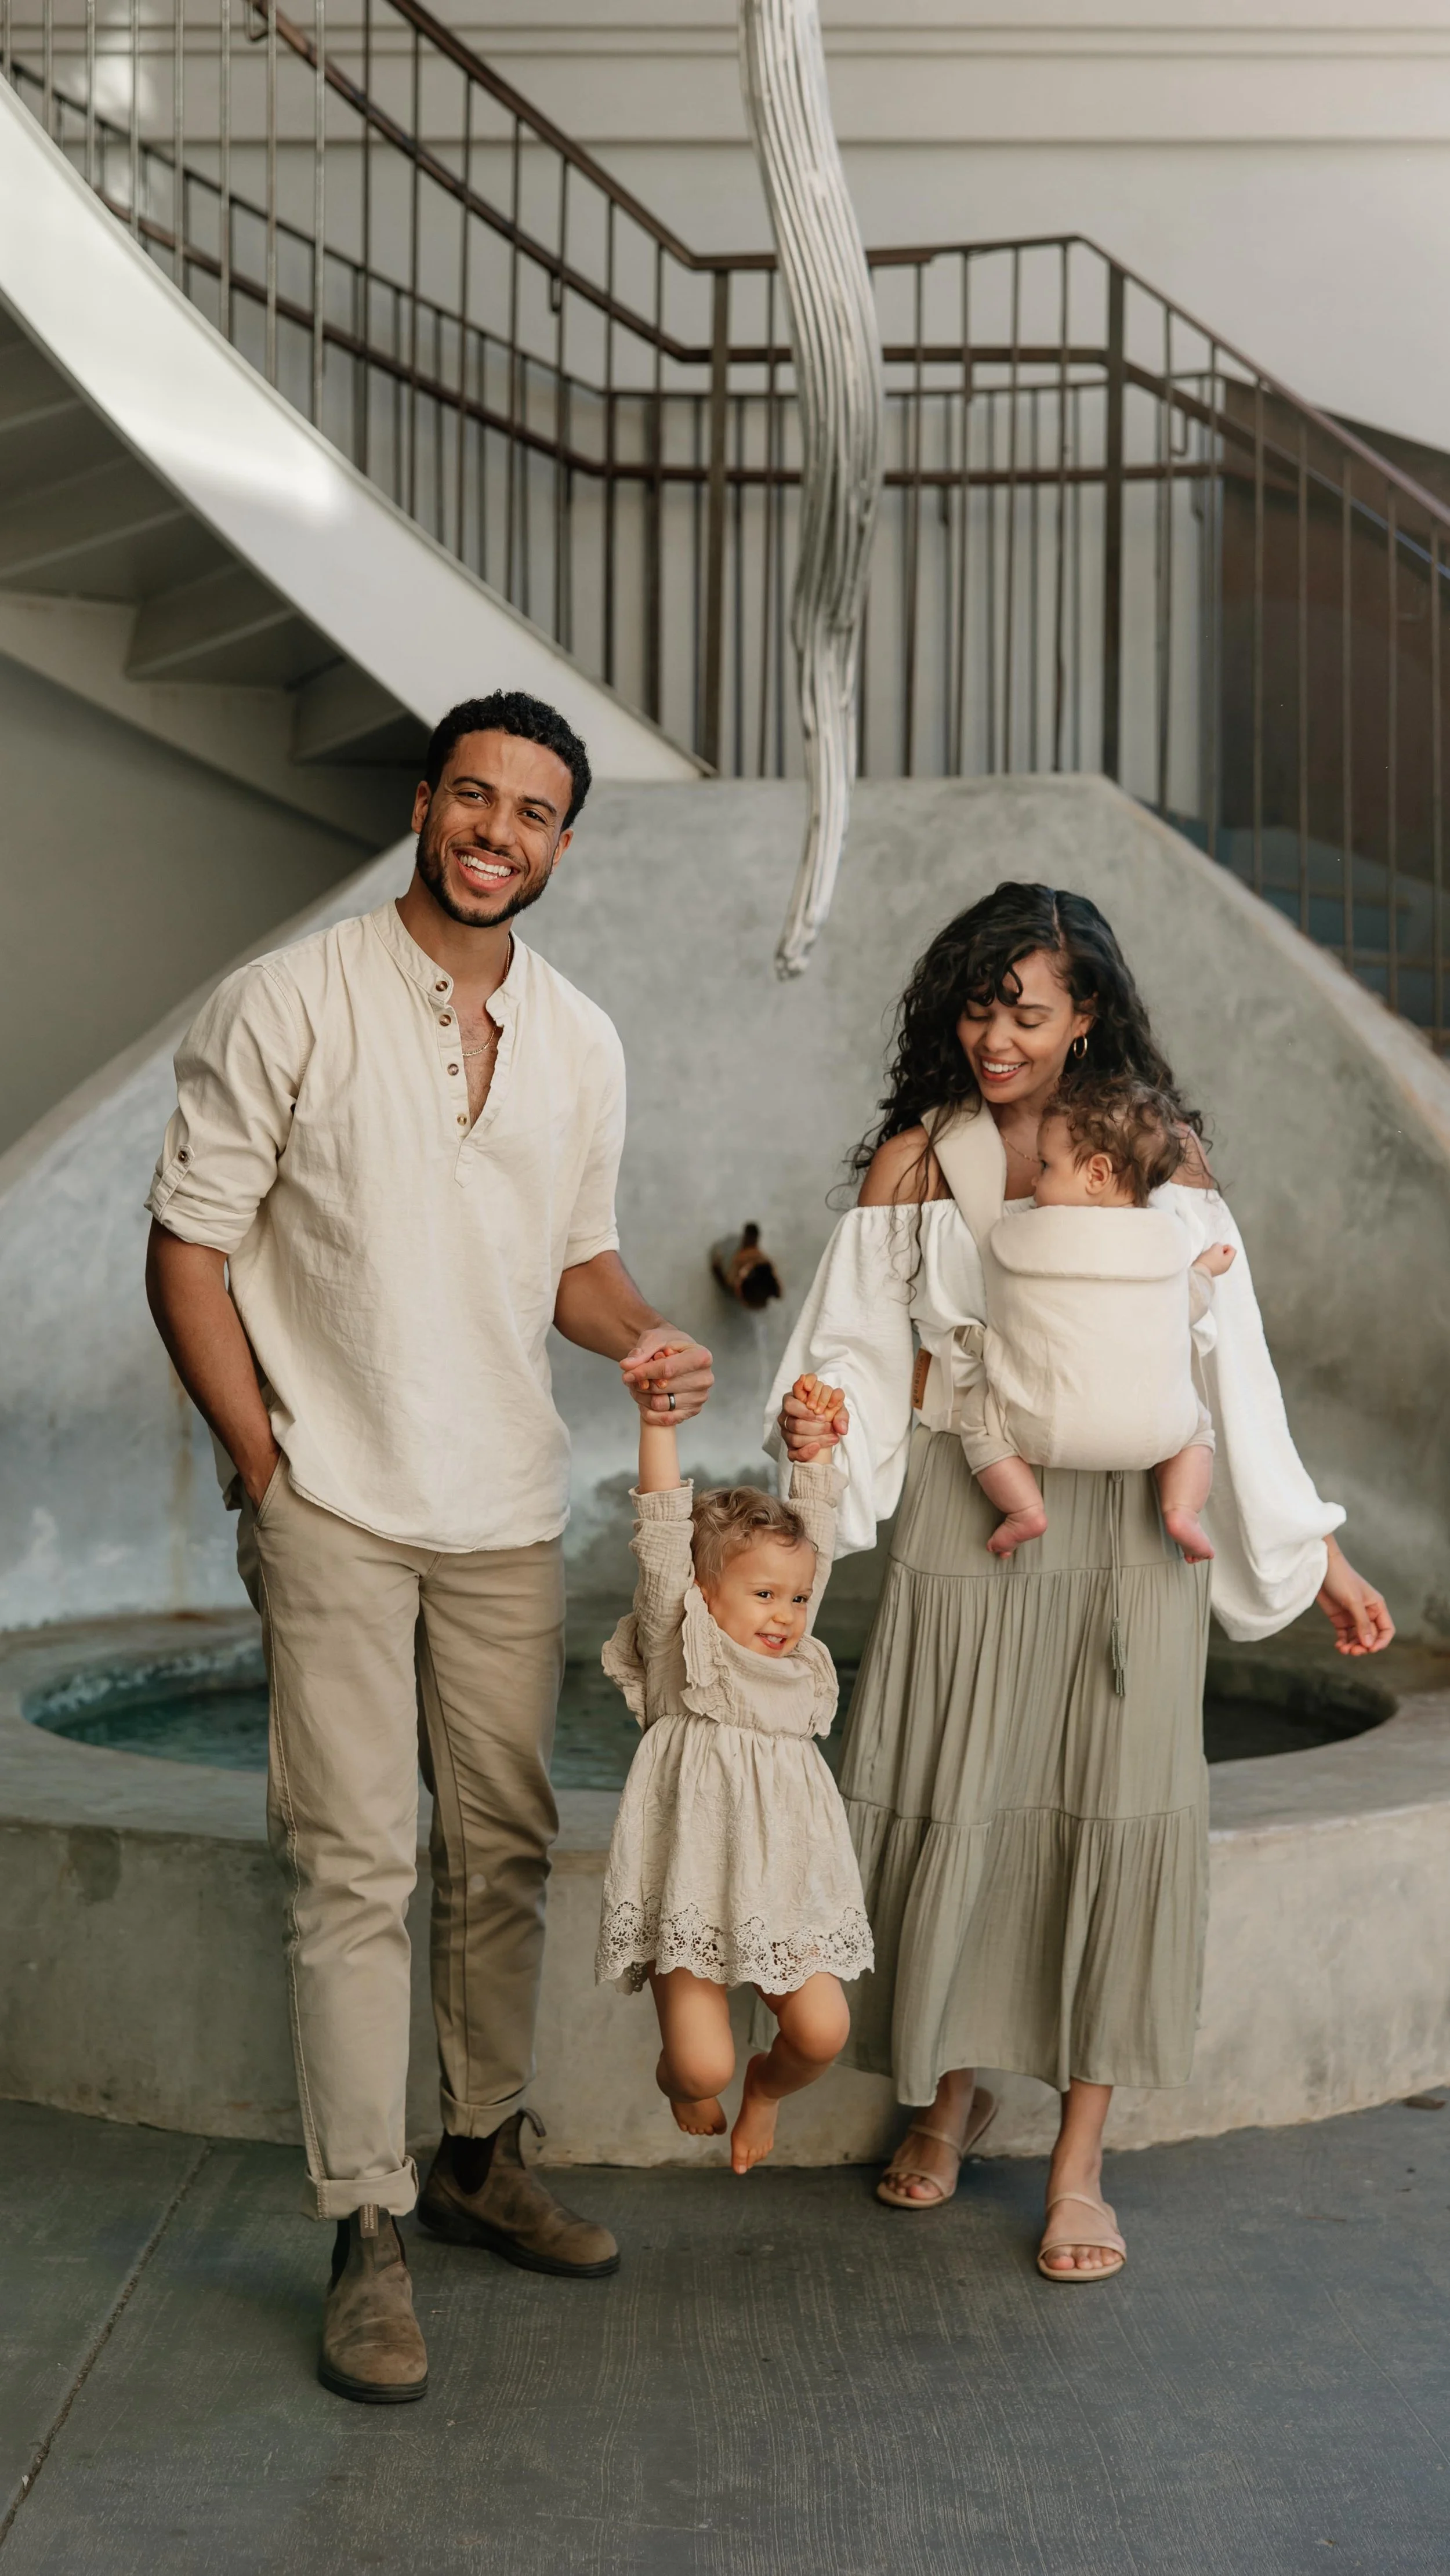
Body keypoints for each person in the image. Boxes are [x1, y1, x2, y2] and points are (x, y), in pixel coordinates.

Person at [144, 688, 713, 2403]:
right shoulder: (287, 999)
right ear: (422, 803)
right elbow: (186, 1245)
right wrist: (261, 1461)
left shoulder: (581, 1040)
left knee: (504, 1843)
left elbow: (571, 1259)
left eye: (532, 811)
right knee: (354, 1861)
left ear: (558, 841)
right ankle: (365, 2224)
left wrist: (640, 1339)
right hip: (331, 1494)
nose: (496, 831)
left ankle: (476, 2154)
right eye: (472, 796)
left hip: (502, 1505)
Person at [770, 881, 1393, 2285]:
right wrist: (820, 1435)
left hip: (1131, 1525)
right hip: (966, 1502)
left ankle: (1078, 2159)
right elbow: (859, 1356)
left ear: (1088, 1013)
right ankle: (952, 2088)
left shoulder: (1151, 1151)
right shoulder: (917, 1160)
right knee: (965, 1796)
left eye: (1027, 1010)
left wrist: (1314, 1546)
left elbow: (1226, 1352)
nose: (996, 1036)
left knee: (1118, 1811)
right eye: (978, 1007)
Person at [595, 1369, 871, 2174]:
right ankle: (680, 2075)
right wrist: (658, 1422)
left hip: (787, 1881)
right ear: (704, 1592)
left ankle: (767, 2089)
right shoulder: (683, 1639)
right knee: (697, 2066)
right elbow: (660, 1528)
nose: (787, 1615)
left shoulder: (792, 1653)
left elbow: (810, 1529)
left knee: (822, 2032)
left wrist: (812, 1450)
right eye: (764, 1594)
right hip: (693, 1878)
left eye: (797, 1597)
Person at [959, 1077, 1236, 1565]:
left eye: (1046, 1165)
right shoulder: (1168, 1242)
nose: (1034, 1180)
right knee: (1199, 1429)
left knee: (979, 1417)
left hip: (1040, 1429)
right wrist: (1206, 1270)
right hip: (1157, 1434)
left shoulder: (1017, 1235)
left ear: (1097, 1174)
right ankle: (1182, 1511)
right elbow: (1187, 1307)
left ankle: (1024, 1509)